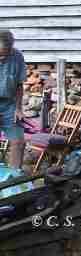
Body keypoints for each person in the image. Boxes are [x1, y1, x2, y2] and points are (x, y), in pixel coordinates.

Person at [0, 30, 26, 170]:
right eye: (0, 54)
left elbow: (19, 85)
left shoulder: (17, 57)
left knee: (18, 142)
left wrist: (18, 108)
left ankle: (13, 180)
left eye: (6, 53)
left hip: (9, 104)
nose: (2, 58)